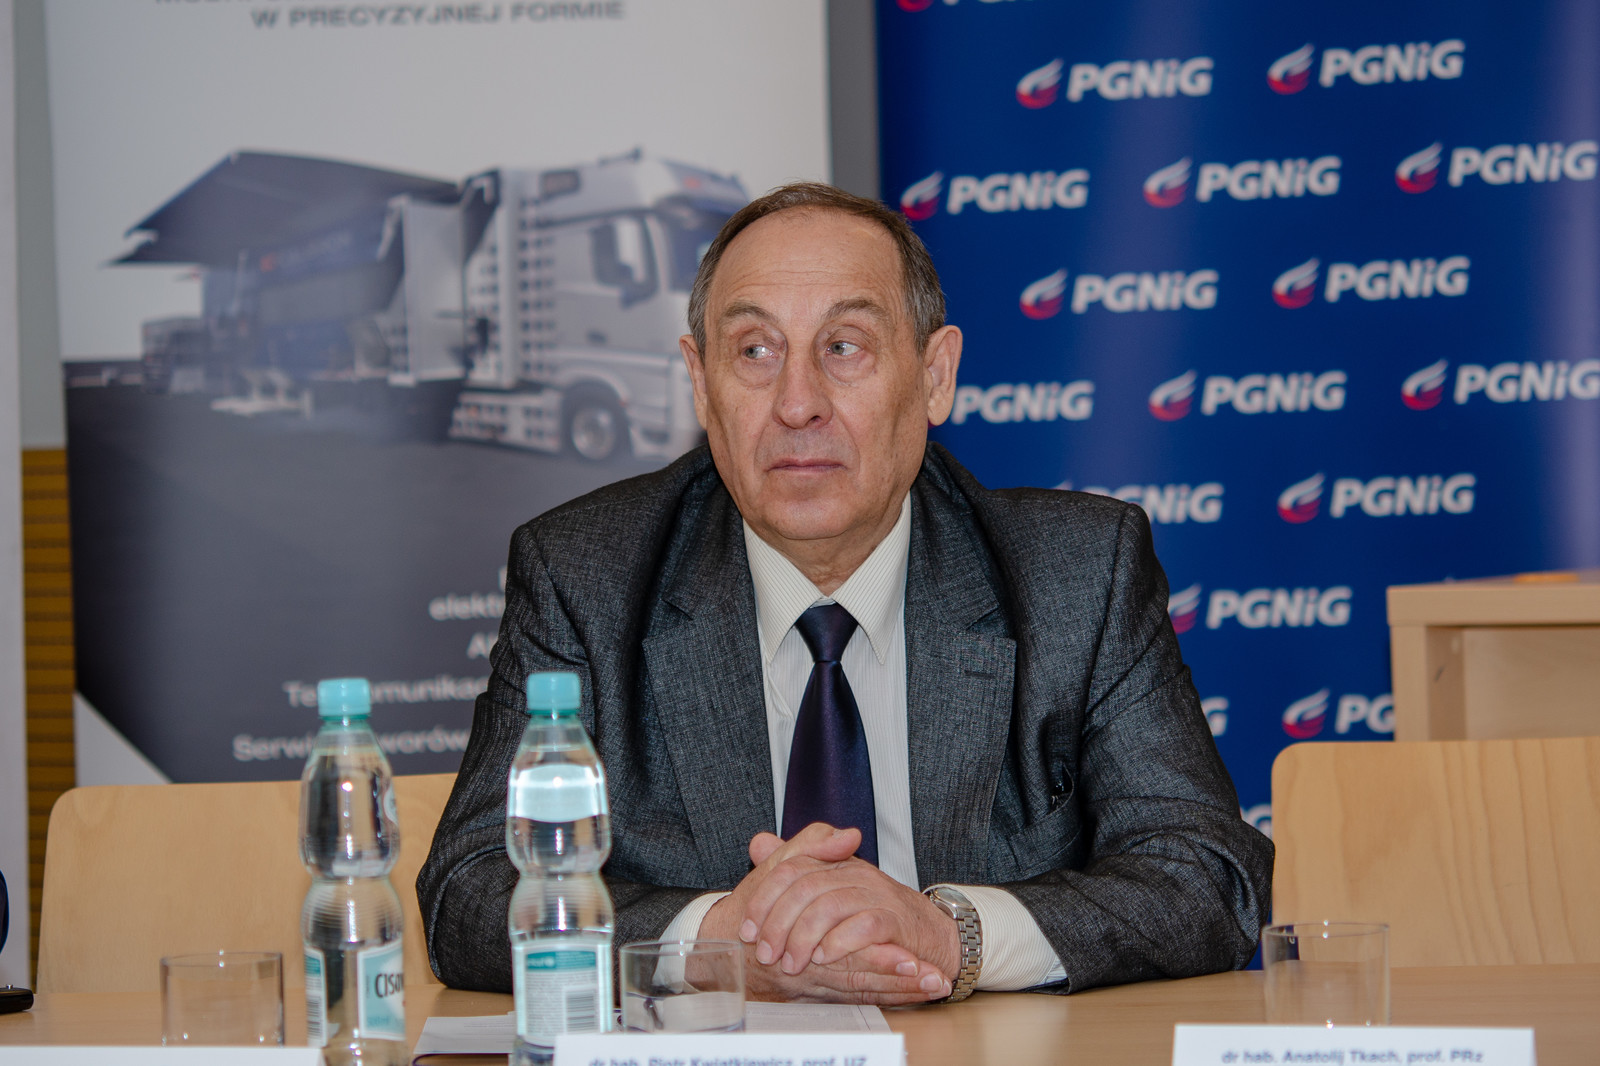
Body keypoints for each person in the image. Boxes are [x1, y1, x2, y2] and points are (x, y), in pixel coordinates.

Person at [418, 182, 1273, 1004]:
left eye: (845, 347)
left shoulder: (1076, 574)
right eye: (755, 351)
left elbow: (1208, 874)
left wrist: (952, 934)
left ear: (934, 375)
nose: (798, 404)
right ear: (701, 384)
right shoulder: (585, 575)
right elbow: (469, 892)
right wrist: (716, 939)